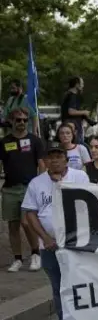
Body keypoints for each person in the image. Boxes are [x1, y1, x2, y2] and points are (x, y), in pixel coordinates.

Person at [21, 146, 90, 320]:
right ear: (46, 161)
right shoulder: (36, 183)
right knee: (59, 287)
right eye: (51, 158)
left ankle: (84, 319)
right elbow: (30, 214)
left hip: (76, 244)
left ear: (66, 160)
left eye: (59, 157)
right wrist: (45, 237)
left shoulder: (80, 178)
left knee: (77, 284)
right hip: (49, 246)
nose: (55, 161)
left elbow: (90, 206)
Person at [1, 108, 45, 272]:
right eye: (18, 120)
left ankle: (35, 254)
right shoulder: (4, 142)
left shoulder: (35, 140)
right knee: (13, 225)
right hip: (9, 189)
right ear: (11, 121)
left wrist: (42, 184)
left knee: (27, 223)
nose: (21, 123)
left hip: (29, 188)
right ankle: (17, 258)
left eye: (25, 120)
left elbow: (41, 163)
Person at [59, 77, 91, 144]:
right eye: (82, 83)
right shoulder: (73, 96)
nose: (83, 86)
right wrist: (84, 112)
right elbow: (71, 111)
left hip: (67, 124)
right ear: (76, 84)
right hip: (74, 125)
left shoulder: (67, 94)